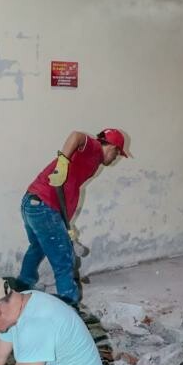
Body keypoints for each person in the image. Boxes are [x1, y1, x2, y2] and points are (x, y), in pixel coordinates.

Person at [16, 129, 131, 307]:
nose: (116, 157)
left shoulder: (92, 162)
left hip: (32, 203)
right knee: (64, 260)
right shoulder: (93, 148)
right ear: (112, 147)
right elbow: (76, 135)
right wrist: (62, 161)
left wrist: (65, 225)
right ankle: (70, 307)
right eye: (117, 152)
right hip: (45, 207)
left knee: (37, 247)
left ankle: (21, 288)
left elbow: (68, 189)